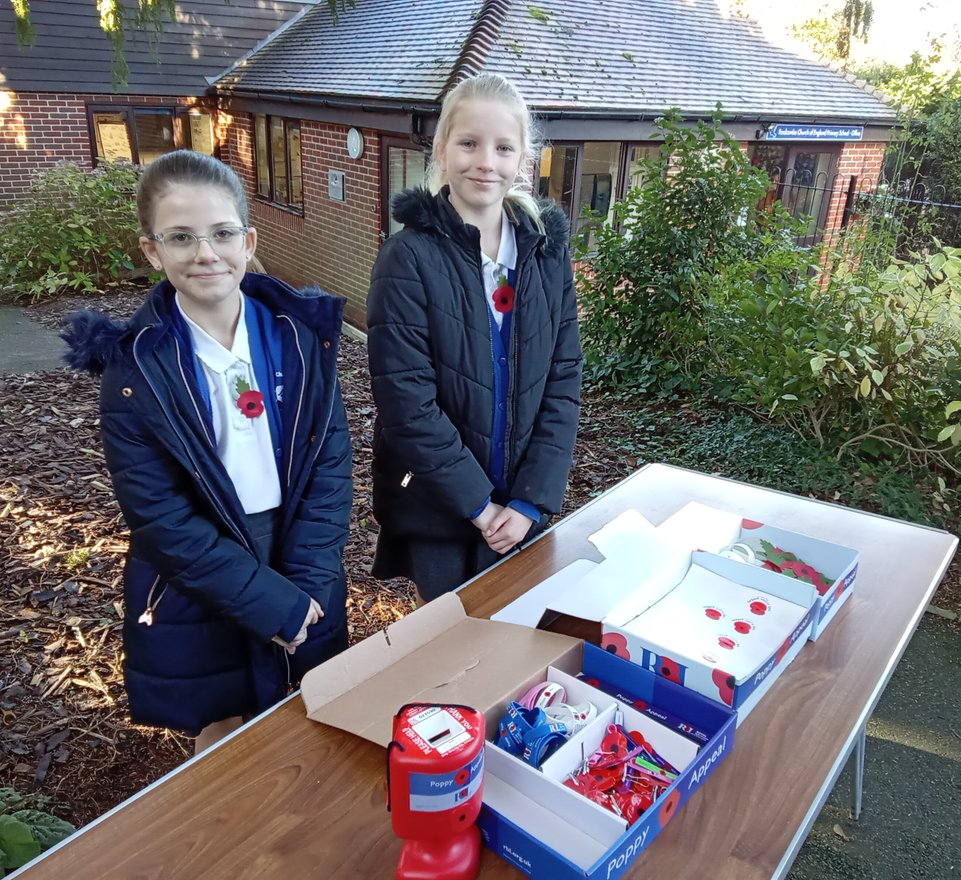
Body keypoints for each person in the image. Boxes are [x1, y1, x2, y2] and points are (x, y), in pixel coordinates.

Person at [62, 150, 352, 754]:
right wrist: (270, 603)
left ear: (247, 240)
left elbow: (330, 464)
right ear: (152, 250)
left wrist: (302, 586)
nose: (205, 253)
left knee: (308, 709)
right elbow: (158, 515)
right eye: (181, 237)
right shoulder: (134, 369)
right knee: (222, 730)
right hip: (200, 571)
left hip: (297, 547)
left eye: (221, 234)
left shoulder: (298, 339)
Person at [367, 73, 583, 602]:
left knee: (515, 649)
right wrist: (480, 507)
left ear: (523, 160)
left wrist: (531, 501)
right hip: (440, 510)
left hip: (521, 509)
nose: (486, 161)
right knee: (451, 659)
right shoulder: (407, 259)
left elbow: (563, 380)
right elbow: (406, 402)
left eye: (503, 147)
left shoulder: (546, 257)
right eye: (469, 143)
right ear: (441, 149)